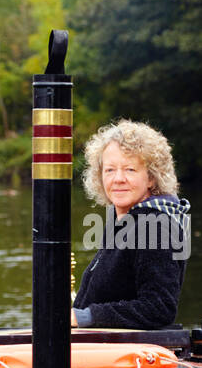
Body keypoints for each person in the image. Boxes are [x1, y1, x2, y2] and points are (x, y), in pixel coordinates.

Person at [72, 120, 190, 330]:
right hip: (100, 349)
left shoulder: (155, 225)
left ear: (152, 178)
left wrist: (85, 317)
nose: (118, 179)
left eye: (130, 170)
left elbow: (159, 308)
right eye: (109, 170)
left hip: (126, 357)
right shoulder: (123, 220)